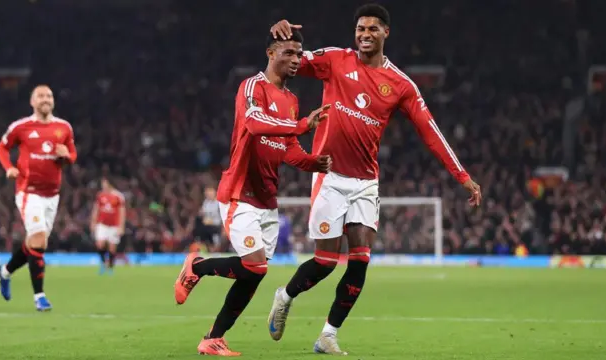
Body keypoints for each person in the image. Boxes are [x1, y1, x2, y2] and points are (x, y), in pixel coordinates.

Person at [267, 4, 482, 355]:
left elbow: (430, 132)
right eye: (360, 29)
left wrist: (463, 176)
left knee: (361, 258)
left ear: (386, 33)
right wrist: (284, 35)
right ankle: (285, 295)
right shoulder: (335, 59)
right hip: (330, 175)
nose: (364, 35)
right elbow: (290, 60)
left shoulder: (401, 84)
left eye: (372, 29)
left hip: (366, 182)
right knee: (324, 261)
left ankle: (328, 334)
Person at [173, 28, 332, 356]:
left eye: (298, 55)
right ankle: (197, 265)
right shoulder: (252, 87)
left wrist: (314, 163)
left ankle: (213, 337)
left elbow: (288, 148)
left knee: (252, 275)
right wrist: (302, 125)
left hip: (266, 200)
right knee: (256, 267)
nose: (294, 60)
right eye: (287, 52)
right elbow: (255, 122)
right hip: (239, 192)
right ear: (271, 53)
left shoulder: (291, 101)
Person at [0, 85, 77, 311]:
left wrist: (67, 156)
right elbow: (1, 149)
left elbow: (72, 154)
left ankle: (4, 272)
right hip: (28, 192)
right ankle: (39, 297)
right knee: (39, 241)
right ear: (32, 102)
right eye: (40, 96)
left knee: (34, 244)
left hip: (52, 195)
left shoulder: (64, 127)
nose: (45, 99)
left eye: (49, 95)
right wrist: (9, 167)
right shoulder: (21, 127)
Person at [90, 176, 126, 275]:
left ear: (110, 183)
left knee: (112, 247)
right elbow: (96, 209)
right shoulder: (100, 195)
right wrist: (93, 222)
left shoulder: (118, 196)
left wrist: (121, 226)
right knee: (100, 244)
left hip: (114, 226)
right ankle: (102, 264)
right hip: (102, 224)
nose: (103, 185)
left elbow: (122, 212)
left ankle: (110, 267)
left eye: (104, 183)